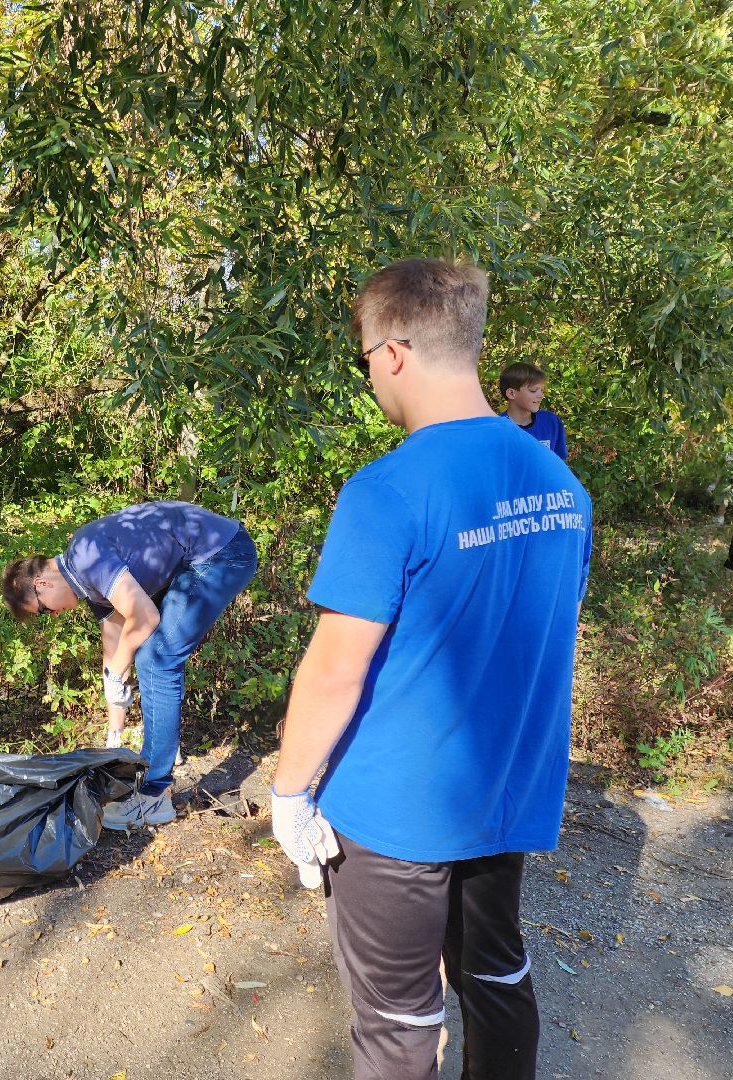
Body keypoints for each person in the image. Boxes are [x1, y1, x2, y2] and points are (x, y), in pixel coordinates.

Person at [270, 260, 592, 1079]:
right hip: (503, 796)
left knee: (397, 1023)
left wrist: (289, 791)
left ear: (394, 352)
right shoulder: (562, 487)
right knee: (496, 976)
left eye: (365, 360)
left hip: (393, 817)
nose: (371, 377)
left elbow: (336, 671)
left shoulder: (387, 491)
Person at [0, 501, 258, 830]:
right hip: (203, 557)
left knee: (156, 657)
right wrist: (115, 733)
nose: (53, 616)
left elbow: (145, 618)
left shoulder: (87, 556)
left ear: (41, 585)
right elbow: (115, 638)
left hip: (222, 553)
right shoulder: (86, 580)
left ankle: (154, 796)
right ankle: (162, 748)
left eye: (44, 611)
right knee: (151, 653)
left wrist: (121, 665)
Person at [499, 361, 568, 459]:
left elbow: (559, 464)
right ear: (511, 393)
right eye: (533, 390)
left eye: (542, 390)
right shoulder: (497, 429)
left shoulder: (551, 422)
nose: (541, 395)